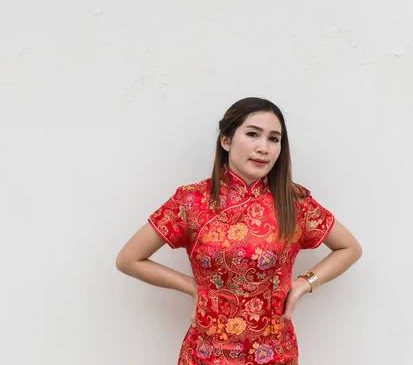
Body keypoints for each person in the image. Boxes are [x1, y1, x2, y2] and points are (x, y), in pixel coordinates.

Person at [115, 97, 362, 365]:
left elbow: (349, 248)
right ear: (226, 140)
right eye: (253, 134)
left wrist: (305, 283)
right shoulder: (192, 201)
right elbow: (129, 259)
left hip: (275, 353)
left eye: (274, 139)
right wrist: (192, 287)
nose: (263, 147)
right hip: (206, 353)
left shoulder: (294, 202)